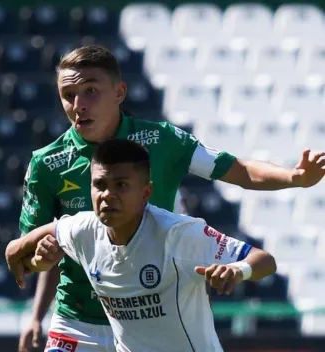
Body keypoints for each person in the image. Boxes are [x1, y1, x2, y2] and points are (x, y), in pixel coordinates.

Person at [17, 45, 325, 352]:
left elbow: (239, 170)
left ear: (119, 92)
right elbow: (30, 254)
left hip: (151, 319)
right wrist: (36, 297)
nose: (78, 104)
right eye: (68, 95)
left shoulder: (163, 140)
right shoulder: (47, 164)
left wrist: (295, 178)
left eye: (91, 91)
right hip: (78, 321)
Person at [7, 139, 277, 352]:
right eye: (99, 185)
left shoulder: (178, 234)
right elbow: (53, 230)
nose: (107, 195)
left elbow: (264, 260)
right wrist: (17, 249)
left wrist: (237, 271)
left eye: (121, 185)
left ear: (146, 192)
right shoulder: (83, 229)